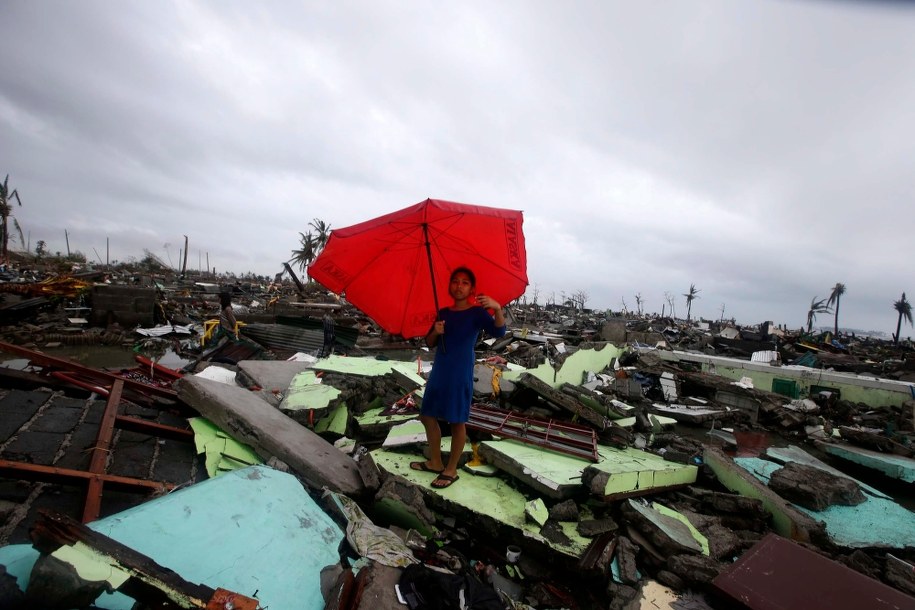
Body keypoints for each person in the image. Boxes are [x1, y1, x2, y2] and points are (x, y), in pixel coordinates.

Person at [411, 267, 506, 489]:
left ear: (471, 289)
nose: (459, 286)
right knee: (427, 415)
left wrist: (497, 308)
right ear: (449, 286)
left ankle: (451, 469)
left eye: (464, 282)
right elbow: (430, 342)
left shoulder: (477, 313)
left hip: (460, 371)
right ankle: (435, 462)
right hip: (440, 370)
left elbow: (499, 333)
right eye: (455, 281)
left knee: (457, 420)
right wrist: (436, 330)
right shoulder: (443, 312)